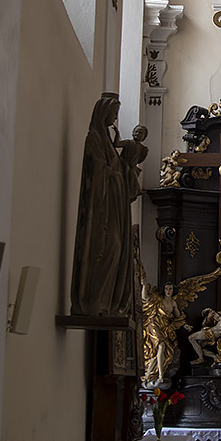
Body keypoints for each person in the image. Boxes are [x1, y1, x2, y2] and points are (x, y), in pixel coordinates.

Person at [69, 94, 136, 317]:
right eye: (114, 113)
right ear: (103, 112)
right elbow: (97, 170)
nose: (116, 118)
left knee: (116, 248)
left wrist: (124, 171)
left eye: (117, 114)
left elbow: (115, 168)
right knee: (110, 247)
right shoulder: (94, 139)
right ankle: (96, 301)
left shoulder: (107, 140)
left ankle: (105, 302)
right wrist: (116, 175)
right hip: (103, 208)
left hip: (114, 206)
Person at [141, 282, 183, 386]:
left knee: (164, 351)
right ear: (163, 290)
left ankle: (149, 375)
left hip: (164, 328)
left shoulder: (173, 303)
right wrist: (144, 286)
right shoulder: (158, 299)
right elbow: (145, 297)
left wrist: (184, 324)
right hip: (154, 324)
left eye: (171, 289)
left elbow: (179, 317)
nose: (168, 291)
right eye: (167, 289)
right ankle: (160, 375)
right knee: (161, 345)